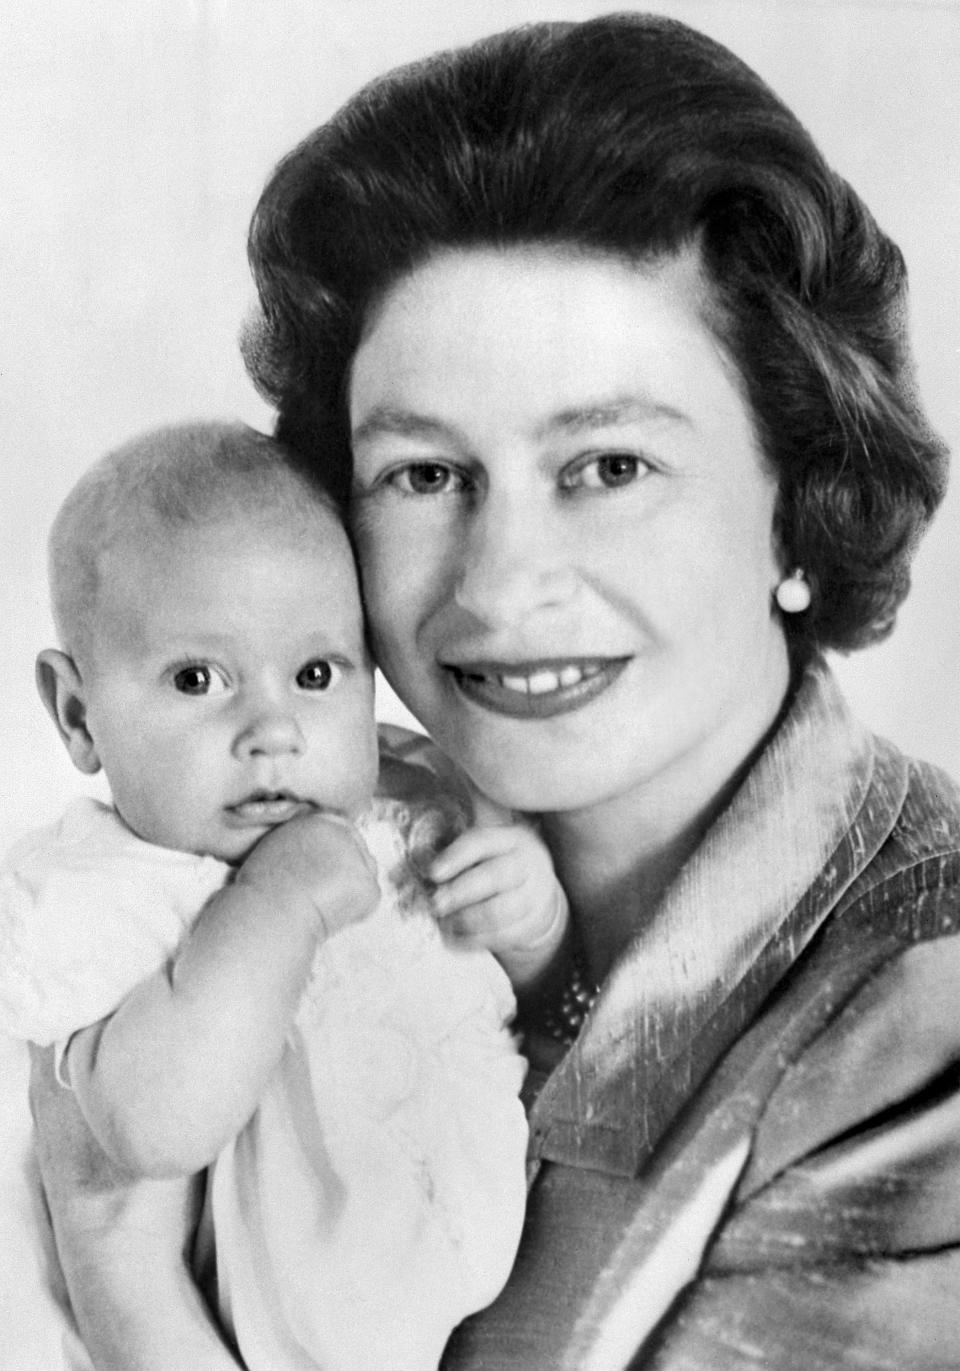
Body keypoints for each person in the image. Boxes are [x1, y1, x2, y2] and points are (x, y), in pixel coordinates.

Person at [32, 11, 960, 1369]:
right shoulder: (312, 839)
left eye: (608, 466)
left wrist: (120, 1275)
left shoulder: (923, 1015)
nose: (502, 580)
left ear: (797, 503)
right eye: (424, 474)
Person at [4, 420, 569, 1370]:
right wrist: (277, 906)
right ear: (78, 714)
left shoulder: (409, 794)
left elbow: (547, 1008)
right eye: (197, 679)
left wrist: (530, 916)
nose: (273, 728)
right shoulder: (111, 895)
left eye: (314, 673)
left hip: (498, 1296)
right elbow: (150, 1128)